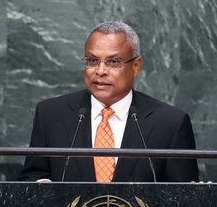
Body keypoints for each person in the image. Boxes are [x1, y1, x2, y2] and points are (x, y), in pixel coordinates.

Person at [17, 21, 199, 182]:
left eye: (113, 62)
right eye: (92, 61)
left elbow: (183, 203)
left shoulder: (170, 123)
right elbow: (31, 178)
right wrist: (39, 188)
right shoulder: (51, 115)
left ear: (136, 66)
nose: (100, 71)